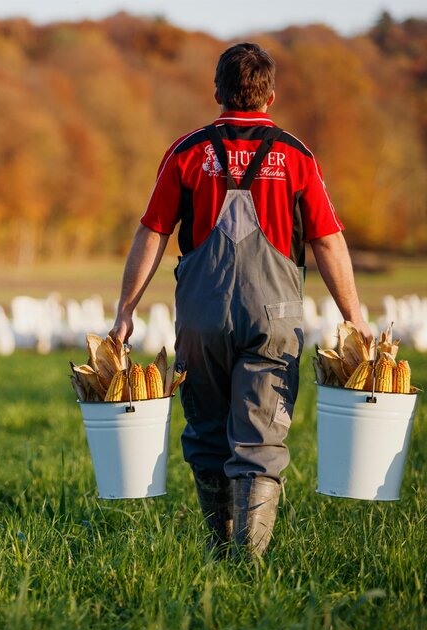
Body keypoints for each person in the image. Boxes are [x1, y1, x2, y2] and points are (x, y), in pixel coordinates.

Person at [110, 42, 373, 559]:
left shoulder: (188, 151)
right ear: (270, 96)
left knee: (207, 435)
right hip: (274, 321)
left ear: (217, 92)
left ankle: (218, 547)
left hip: (201, 320)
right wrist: (353, 315)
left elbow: (152, 233)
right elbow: (328, 240)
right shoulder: (295, 156)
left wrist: (126, 310)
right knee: (260, 441)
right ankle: (247, 562)